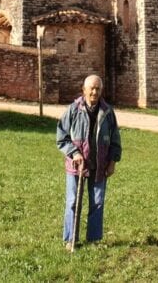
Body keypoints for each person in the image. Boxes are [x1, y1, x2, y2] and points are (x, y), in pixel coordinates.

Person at [56, 74, 122, 245]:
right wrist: (74, 153)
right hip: (76, 165)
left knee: (97, 203)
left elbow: (115, 140)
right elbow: (61, 137)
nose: (94, 92)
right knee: (72, 202)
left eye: (98, 88)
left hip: (99, 164)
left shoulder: (107, 112)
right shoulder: (73, 110)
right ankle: (71, 239)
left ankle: (93, 240)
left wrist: (112, 162)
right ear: (84, 90)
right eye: (91, 88)